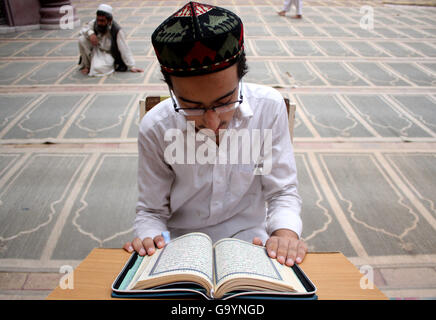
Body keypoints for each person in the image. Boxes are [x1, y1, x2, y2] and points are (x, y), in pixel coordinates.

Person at [123, 1, 307, 267]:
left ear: (240, 75)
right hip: (178, 249)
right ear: (171, 88)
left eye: (225, 101)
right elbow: (152, 211)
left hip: (253, 246)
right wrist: (151, 239)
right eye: (192, 106)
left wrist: (285, 234)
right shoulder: (156, 127)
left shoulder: (268, 108)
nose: (211, 122)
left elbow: (282, 192)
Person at [78, 4, 143, 76]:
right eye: (98, 20)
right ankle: (87, 66)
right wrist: (91, 34)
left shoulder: (117, 30)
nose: (99, 23)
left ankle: (101, 64)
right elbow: (84, 30)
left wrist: (131, 66)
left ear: (109, 20)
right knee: (82, 39)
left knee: (98, 68)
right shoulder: (94, 23)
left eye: (102, 21)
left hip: (108, 54)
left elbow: (124, 48)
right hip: (95, 49)